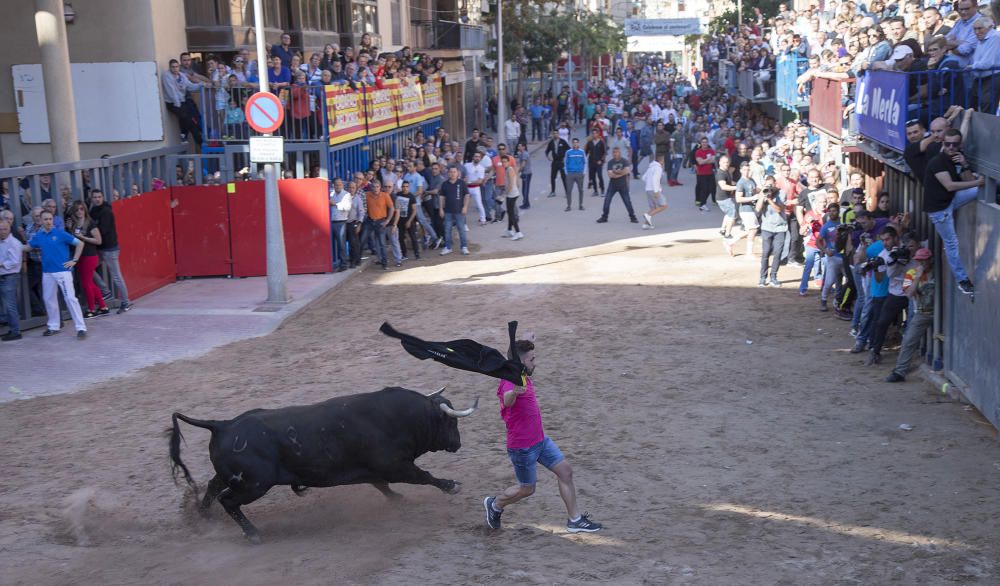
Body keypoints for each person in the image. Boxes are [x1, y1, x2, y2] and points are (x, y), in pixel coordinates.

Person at [482, 337, 602, 534]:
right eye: (531, 359)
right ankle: (495, 505)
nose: (534, 363)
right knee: (527, 489)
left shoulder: (521, 375)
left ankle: (575, 520)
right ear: (520, 362)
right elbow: (507, 400)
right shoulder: (509, 382)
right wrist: (515, 392)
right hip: (522, 447)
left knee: (565, 471)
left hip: (540, 441)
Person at [923, 128, 983, 295]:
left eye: (954, 144)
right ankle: (962, 280)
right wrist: (978, 182)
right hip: (939, 210)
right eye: (947, 144)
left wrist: (964, 165)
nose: (950, 147)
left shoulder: (957, 158)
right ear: (943, 144)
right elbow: (950, 185)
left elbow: (970, 181)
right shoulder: (938, 162)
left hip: (950, 200)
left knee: (980, 191)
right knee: (951, 244)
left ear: (959, 145)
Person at [25, 210, 87, 338]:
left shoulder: (60, 233)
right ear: (41, 221)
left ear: (52, 220)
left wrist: (74, 260)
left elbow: (80, 243)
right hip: (47, 273)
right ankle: (53, 326)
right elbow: (27, 247)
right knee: (49, 299)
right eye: (45, 219)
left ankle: (81, 328)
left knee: (70, 299)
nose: (48, 221)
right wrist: (12, 245)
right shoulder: (39, 236)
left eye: (50, 219)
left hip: (63, 271)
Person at [886, 248, 935, 382]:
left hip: (940, 313)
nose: (922, 263)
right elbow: (908, 293)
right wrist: (918, 277)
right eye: (919, 260)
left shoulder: (938, 271)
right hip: (922, 312)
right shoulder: (911, 273)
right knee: (908, 341)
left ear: (930, 260)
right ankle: (900, 371)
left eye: (924, 260)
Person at [89, 189, 131, 313]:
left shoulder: (106, 211)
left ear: (103, 197)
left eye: (99, 197)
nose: (97, 199)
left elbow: (103, 230)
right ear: (92, 199)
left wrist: (89, 236)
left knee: (116, 276)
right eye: (95, 197)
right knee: (88, 269)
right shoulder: (93, 210)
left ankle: (125, 302)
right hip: (101, 248)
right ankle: (106, 291)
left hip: (110, 249)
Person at [64, 200, 108, 319]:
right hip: (80, 257)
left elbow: (99, 241)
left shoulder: (90, 223)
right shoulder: (74, 223)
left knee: (86, 283)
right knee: (89, 283)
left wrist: (84, 237)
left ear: (85, 209)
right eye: (77, 209)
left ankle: (92, 309)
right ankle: (103, 307)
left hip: (90, 256)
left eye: (81, 209)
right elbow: (73, 239)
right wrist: (69, 229)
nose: (79, 211)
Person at [596, 147, 638, 224]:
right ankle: (604, 217)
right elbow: (610, 175)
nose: (615, 154)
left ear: (620, 153)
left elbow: (627, 171)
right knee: (607, 201)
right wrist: (621, 173)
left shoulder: (624, 161)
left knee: (627, 201)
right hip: (612, 185)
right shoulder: (610, 162)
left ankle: (633, 217)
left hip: (623, 185)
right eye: (613, 152)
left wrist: (616, 173)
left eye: (616, 152)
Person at [757, 186, 788, 288]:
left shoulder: (781, 193)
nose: (768, 190)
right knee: (765, 253)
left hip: (780, 228)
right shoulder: (763, 193)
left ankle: (773, 277)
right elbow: (757, 209)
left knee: (778, 253)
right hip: (767, 228)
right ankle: (762, 277)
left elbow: (779, 209)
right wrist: (762, 197)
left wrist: (770, 199)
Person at [438, 166, 470, 256]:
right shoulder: (445, 184)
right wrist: (441, 209)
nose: (452, 173)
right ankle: (448, 247)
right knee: (447, 230)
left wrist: (465, 207)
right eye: (451, 172)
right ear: (448, 173)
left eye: (454, 172)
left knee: (461, 229)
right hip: (448, 211)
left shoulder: (461, 183)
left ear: (457, 173)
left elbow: (467, 195)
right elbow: (441, 197)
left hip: (459, 210)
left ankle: (464, 247)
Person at [0, 219, 23, 341]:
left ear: (9, 229)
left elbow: (14, 262)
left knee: (10, 305)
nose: (2, 232)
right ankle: (9, 326)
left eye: (5, 229)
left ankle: (15, 331)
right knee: (5, 305)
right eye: (0, 229)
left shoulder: (14, 243)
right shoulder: (1, 241)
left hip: (10, 277)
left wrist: (1, 264)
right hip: (3, 276)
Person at [329, 178, 352, 272]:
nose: (338, 186)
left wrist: (335, 204)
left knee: (341, 244)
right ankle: (331, 264)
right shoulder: (331, 194)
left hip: (341, 222)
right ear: (333, 185)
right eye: (336, 185)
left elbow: (347, 207)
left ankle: (343, 264)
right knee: (330, 244)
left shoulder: (346, 194)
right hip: (330, 222)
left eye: (340, 184)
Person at [640, 156, 668, 229]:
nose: (664, 163)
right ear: (661, 161)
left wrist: (649, 183)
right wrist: (656, 191)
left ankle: (646, 224)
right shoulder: (658, 168)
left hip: (648, 190)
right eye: (663, 161)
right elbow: (655, 179)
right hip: (654, 190)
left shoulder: (650, 167)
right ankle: (648, 215)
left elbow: (643, 178)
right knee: (664, 206)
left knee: (653, 208)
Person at [501, 155, 523, 241]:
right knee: (510, 213)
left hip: (512, 194)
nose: (503, 163)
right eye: (502, 162)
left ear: (508, 162)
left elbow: (510, 184)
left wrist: (504, 194)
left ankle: (518, 232)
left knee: (511, 214)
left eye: (505, 161)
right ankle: (509, 230)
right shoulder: (507, 169)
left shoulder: (509, 169)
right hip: (510, 194)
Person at [694, 137, 717, 211]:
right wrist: (707, 159)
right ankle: (702, 204)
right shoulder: (698, 152)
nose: (704, 143)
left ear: (708, 143)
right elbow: (700, 162)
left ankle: (703, 203)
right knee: (704, 189)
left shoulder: (711, 150)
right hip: (701, 173)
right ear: (701, 143)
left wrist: (704, 160)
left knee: (710, 189)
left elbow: (713, 160)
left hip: (710, 173)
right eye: (703, 142)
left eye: (706, 142)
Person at [545, 130, 570, 198]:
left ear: (559, 134)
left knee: (563, 177)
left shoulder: (562, 141)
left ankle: (567, 192)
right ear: (553, 135)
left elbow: (569, 149)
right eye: (554, 133)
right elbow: (547, 151)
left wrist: (566, 157)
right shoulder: (551, 142)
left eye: (556, 133)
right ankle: (553, 192)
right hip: (554, 162)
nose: (555, 135)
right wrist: (548, 157)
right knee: (552, 177)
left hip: (561, 161)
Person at [564, 138, 587, 211]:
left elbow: (585, 162)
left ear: (579, 143)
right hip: (570, 173)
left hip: (579, 173)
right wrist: (566, 173)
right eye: (574, 142)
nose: (575, 144)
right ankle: (568, 206)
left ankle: (581, 205)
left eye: (576, 142)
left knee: (580, 190)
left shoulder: (582, 152)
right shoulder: (568, 152)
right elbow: (565, 162)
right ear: (572, 143)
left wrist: (584, 172)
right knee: (569, 190)